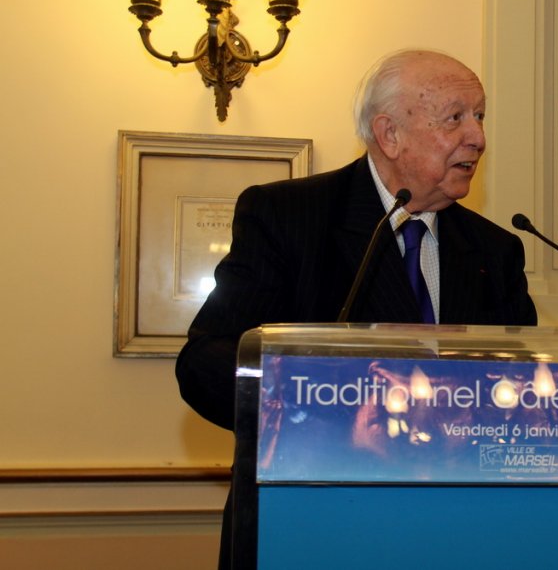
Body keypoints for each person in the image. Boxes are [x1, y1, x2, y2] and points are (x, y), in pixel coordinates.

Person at [176, 48, 538, 568]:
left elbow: (523, 389)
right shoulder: (286, 216)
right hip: (314, 517)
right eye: (455, 117)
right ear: (389, 134)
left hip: (459, 526)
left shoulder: (497, 250)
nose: (478, 137)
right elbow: (205, 363)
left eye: (479, 116)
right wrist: (314, 400)